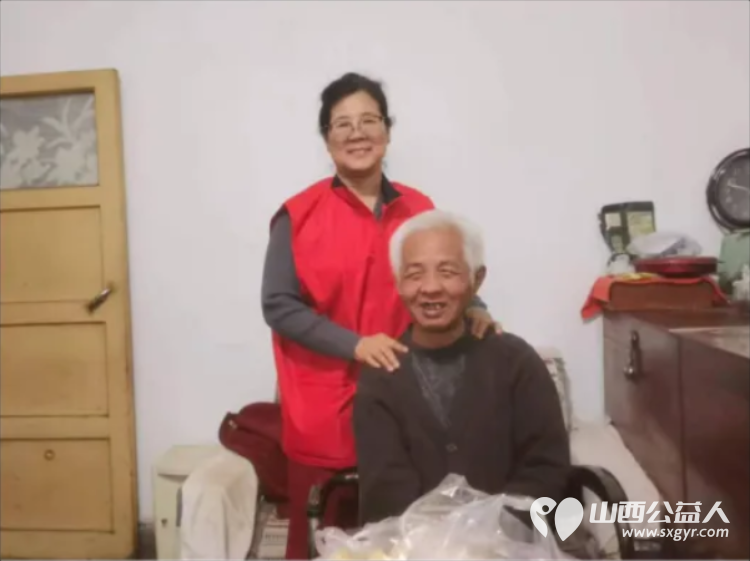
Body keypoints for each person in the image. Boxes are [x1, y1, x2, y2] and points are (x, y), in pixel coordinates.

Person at [260, 73, 501, 559]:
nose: (357, 133)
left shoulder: (419, 208)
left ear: (387, 131)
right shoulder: (298, 215)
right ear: (326, 138)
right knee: (323, 540)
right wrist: (354, 344)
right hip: (323, 406)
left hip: (404, 398)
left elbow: (444, 274)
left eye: (369, 120)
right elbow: (278, 304)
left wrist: (477, 309)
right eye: (342, 124)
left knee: (405, 539)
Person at [353, 209, 571, 525]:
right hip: (413, 544)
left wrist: (491, 531)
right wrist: (436, 542)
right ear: (398, 282)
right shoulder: (382, 375)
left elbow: (545, 470)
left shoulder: (516, 362)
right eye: (415, 274)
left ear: (476, 279)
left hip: (511, 541)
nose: (430, 287)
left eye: (447, 272)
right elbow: (386, 489)